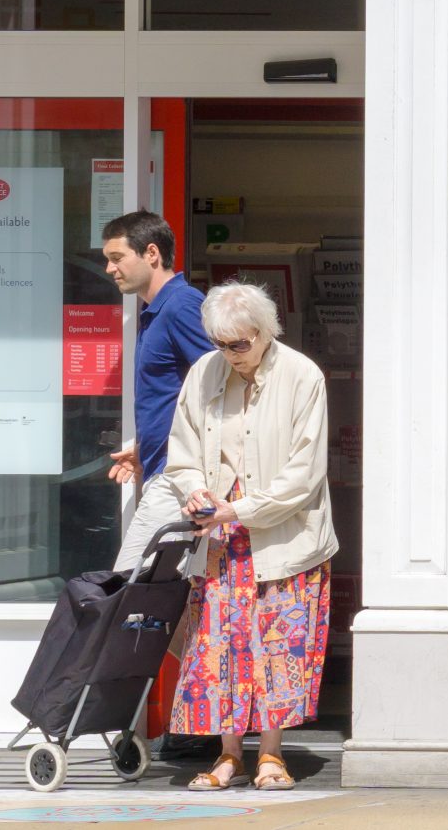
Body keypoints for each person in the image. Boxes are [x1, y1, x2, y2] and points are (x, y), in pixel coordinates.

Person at [164, 281, 339, 792]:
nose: (231, 354)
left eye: (240, 344)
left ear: (265, 333)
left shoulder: (302, 375)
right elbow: (183, 449)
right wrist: (195, 492)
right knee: (221, 646)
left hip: (283, 538)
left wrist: (234, 509)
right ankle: (227, 754)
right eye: (221, 344)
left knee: (279, 647)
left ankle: (271, 754)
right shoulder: (204, 372)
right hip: (221, 543)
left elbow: (304, 474)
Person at [102, 211, 213, 574]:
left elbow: (219, 384)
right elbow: (175, 393)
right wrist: (145, 446)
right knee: (163, 596)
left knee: (129, 591)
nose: (109, 268)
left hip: (176, 477)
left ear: (151, 253)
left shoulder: (181, 305)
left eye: (117, 258)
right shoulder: (155, 310)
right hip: (164, 468)